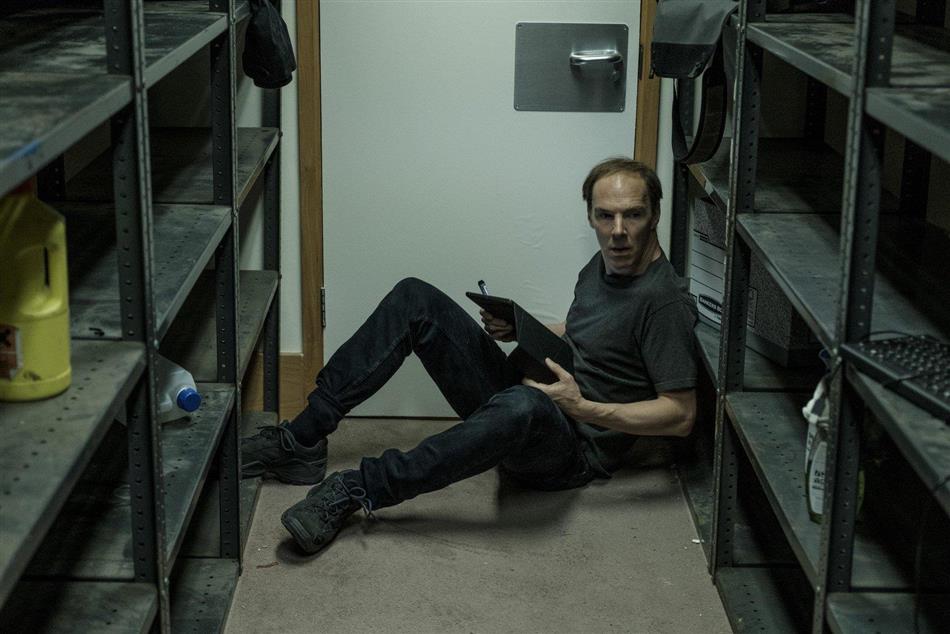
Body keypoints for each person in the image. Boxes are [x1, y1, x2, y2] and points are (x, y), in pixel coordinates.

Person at [241, 158, 699, 555]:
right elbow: (586, 329)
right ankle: (301, 440)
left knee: (523, 405)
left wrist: (582, 408)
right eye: (605, 216)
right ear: (591, 216)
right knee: (415, 298)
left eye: (633, 215)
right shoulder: (605, 263)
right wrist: (523, 328)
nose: (617, 232)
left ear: (655, 215)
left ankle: (359, 488)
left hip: (571, 448)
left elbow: (680, 415)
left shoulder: (663, 302)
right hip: (534, 394)